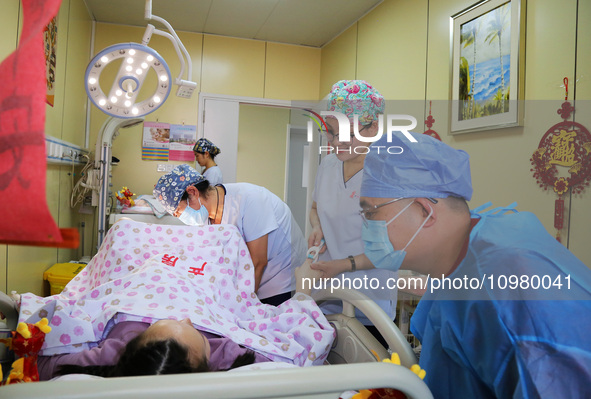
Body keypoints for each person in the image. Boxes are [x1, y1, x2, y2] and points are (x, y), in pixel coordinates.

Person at [358, 131, 591, 398]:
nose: (365, 225)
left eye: (371, 213)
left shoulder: (508, 288)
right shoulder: (461, 252)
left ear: (425, 211)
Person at [18, 219, 334, 380]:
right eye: (190, 329)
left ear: (132, 346)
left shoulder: (115, 350)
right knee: (224, 236)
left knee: (124, 233)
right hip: (195, 286)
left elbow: (46, 361)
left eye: (166, 322)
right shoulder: (221, 350)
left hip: (136, 286)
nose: (183, 318)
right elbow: (286, 359)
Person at [307, 80, 397, 345]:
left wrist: (342, 266)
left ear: (373, 128)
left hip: (371, 305)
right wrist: (317, 226)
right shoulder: (328, 165)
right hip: (327, 297)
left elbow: (390, 249)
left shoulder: (386, 175)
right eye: (331, 134)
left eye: (347, 136)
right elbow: (315, 208)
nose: (337, 144)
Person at [153, 165, 307, 306]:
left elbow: (258, 262)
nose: (182, 218)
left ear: (193, 192)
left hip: (281, 277)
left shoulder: (249, 199)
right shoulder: (206, 216)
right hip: (250, 277)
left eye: (180, 212)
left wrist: (241, 305)